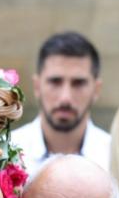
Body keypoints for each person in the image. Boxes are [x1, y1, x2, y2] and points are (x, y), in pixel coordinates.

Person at [11, 32, 110, 175]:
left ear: (96, 89)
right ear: (37, 86)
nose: (65, 98)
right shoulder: (5, 152)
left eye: (78, 83)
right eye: (55, 82)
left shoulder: (116, 158)